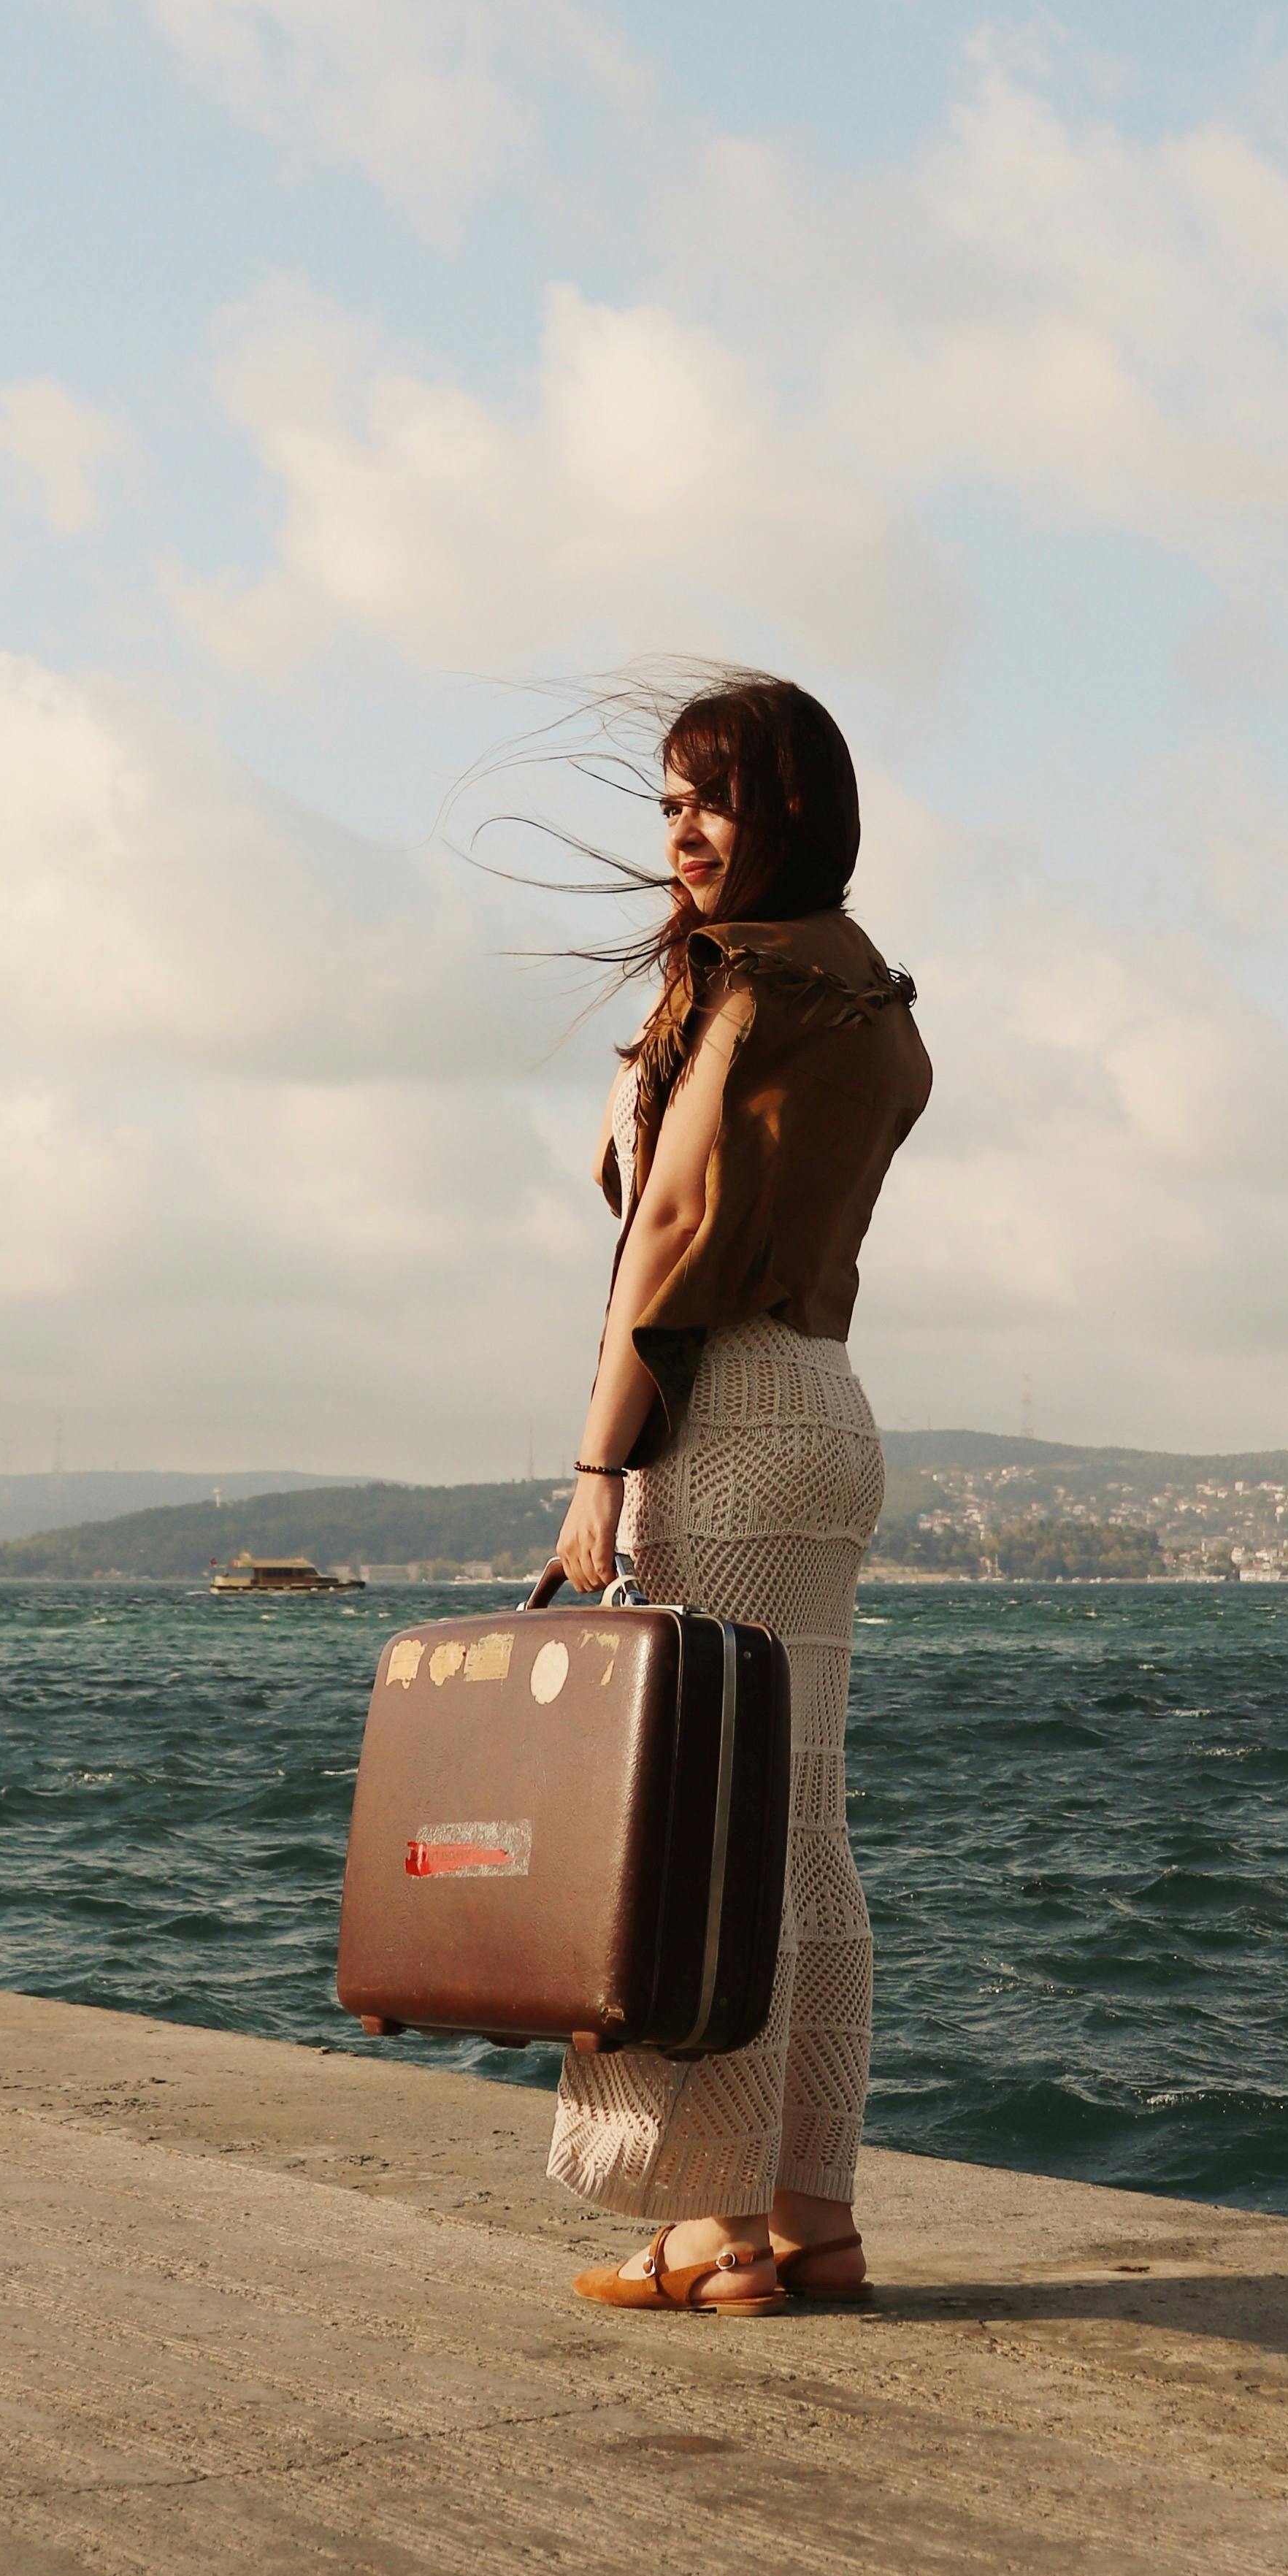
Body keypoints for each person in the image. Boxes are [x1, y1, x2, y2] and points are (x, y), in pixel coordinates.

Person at [545, 675, 931, 2317]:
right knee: (803, 1837)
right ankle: (809, 2214)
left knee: (708, 1839)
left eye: (712, 801)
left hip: (722, 1417)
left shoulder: (753, 999)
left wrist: (593, 1465)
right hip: (827, 1415)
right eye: (666, 806)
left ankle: (716, 2228)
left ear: (790, 811)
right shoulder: (878, 1001)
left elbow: (673, 1244)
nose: (683, 836)